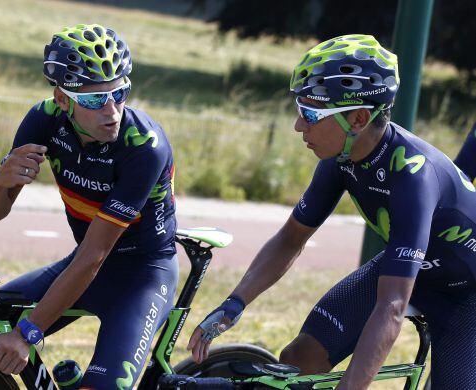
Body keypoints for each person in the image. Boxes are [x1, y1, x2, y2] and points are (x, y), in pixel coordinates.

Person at [188, 34, 476, 389]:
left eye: (310, 113)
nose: (298, 126)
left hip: (468, 294)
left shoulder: (413, 176)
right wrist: (235, 302)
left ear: (357, 118)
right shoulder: (341, 157)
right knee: (299, 361)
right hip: (410, 271)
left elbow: (392, 306)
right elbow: (292, 238)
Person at [0, 23, 178, 389]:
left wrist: (26, 334)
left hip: (142, 276)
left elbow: (95, 254)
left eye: (120, 92)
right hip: (82, 266)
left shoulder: (144, 146)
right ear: (63, 99)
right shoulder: (43, 119)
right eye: (96, 100)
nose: (112, 110)